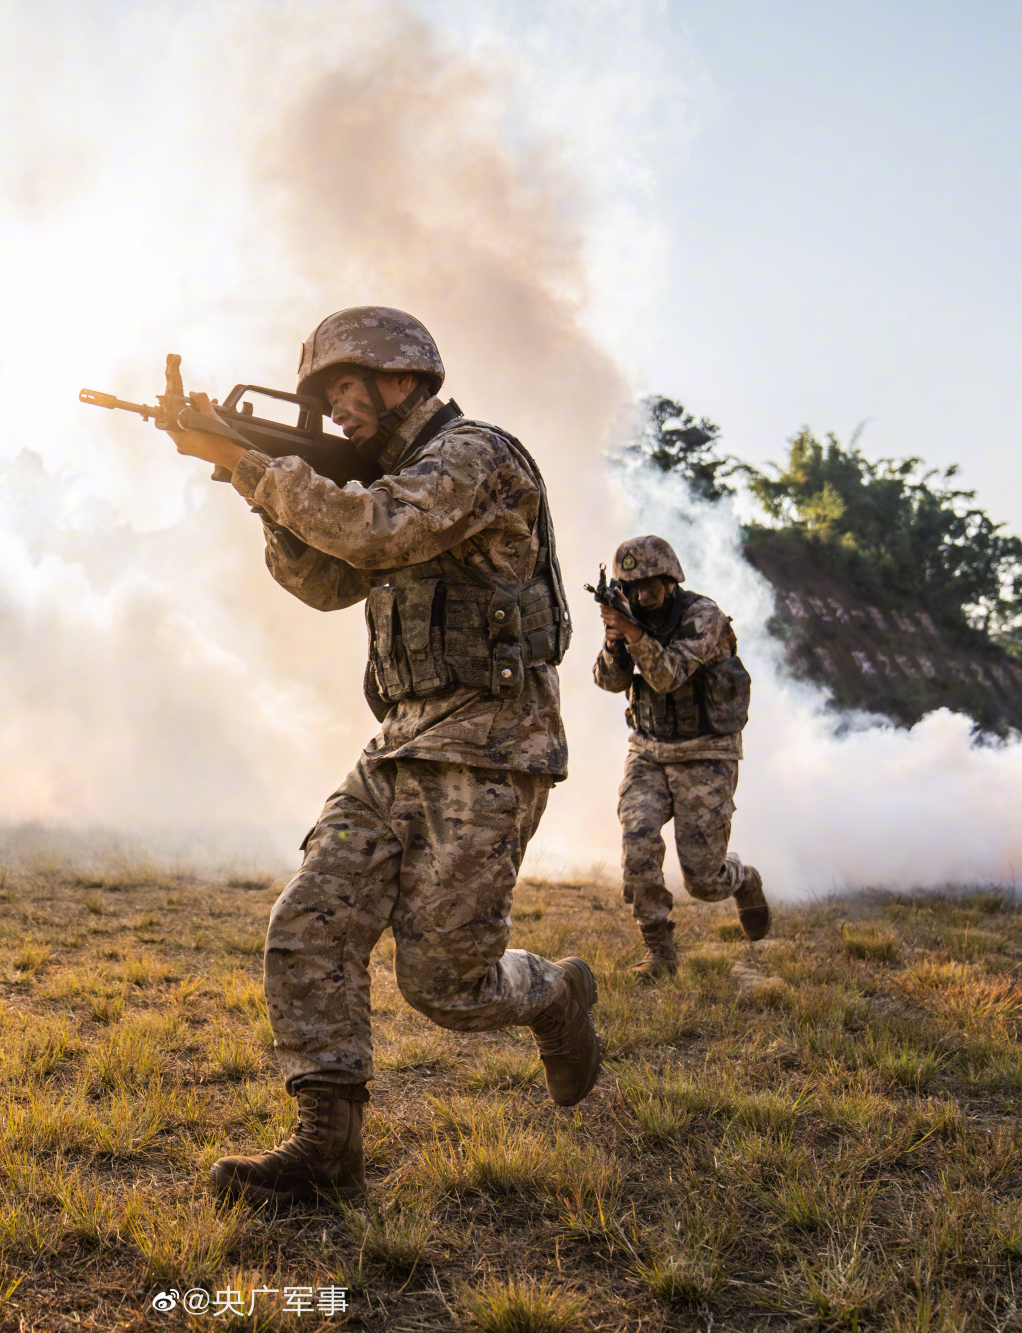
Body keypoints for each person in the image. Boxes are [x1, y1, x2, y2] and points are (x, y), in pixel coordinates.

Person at [162, 306, 602, 1206]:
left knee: (448, 984)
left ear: (401, 378)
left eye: (345, 392)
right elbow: (328, 579)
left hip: (490, 748)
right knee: (309, 923)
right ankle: (327, 1150)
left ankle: (555, 995)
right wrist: (252, 489)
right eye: (325, 397)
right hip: (399, 743)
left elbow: (371, 532)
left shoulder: (476, 458)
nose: (336, 413)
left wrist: (251, 464)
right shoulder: (385, 479)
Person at [592, 534, 769, 979]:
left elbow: (669, 676)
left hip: (706, 752)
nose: (642, 593)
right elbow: (609, 683)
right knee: (637, 839)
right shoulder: (630, 618)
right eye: (632, 586)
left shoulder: (703, 617)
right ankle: (659, 948)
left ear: (671, 579)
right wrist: (615, 639)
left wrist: (632, 632)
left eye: (651, 583)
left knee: (704, 880)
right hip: (649, 749)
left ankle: (743, 879)